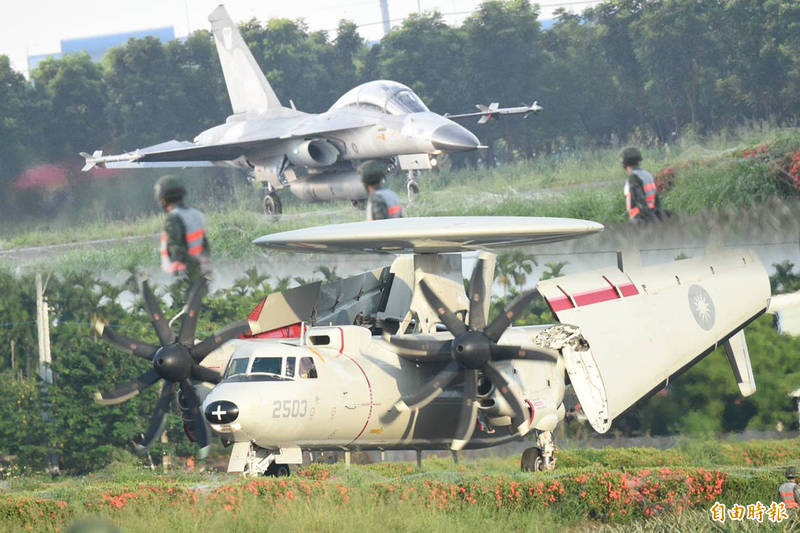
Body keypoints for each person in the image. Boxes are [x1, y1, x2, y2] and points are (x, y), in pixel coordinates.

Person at [154, 175, 211, 280]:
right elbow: (204, 244)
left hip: (183, 273)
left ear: (163, 199)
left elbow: (176, 247)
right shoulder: (196, 214)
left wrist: (177, 273)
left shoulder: (173, 217)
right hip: (199, 270)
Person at [621, 147, 660, 223]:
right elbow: (657, 199)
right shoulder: (648, 175)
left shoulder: (633, 178)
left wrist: (651, 220)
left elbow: (640, 202)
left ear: (624, 163)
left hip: (640, 218)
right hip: (652, 213)